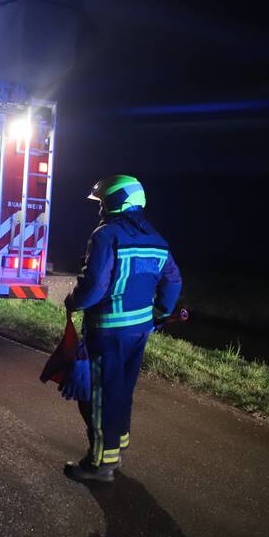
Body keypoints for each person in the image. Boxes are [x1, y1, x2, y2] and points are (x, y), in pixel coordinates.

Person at [63, 175, 183, 483]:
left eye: (103, 202)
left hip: (107, 331)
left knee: (98, 395)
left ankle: (100, 464)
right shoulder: (157, 239)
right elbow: (173, 281)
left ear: (116, 202)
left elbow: (95, 285)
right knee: (122, 390)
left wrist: (73, 302)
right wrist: (160, 314)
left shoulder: (105, 236)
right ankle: (118, 444)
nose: (100, 208)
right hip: (139, 331)